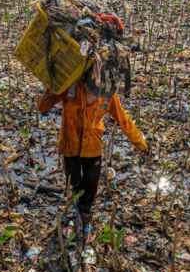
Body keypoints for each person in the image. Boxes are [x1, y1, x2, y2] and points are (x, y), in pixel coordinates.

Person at [38, 79, 148, 239]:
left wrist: (140, 143)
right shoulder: (69, 86)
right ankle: (76, 210)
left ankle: (84, 216)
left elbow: (124, 120)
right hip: (70, 144)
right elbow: (42, 107)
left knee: (90, 186)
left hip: (92, 146)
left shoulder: (108, 94)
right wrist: (53, 86)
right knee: (74, 181)